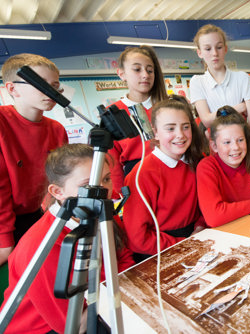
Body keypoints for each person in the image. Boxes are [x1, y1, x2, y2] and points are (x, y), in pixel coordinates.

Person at [1, 144, 135, 334]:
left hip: (100, 302)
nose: (102, 191)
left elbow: (123, 257)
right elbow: (73, 326)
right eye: (88, 186)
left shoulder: (100, 211)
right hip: (49, 328)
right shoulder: (40, 247)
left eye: (106, 179)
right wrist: (114, 291)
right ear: (57, 192)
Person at [0, 53, 68, 265]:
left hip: (37, 215)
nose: (51, 91)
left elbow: (59, 180)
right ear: (12, 89)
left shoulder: (56, 129)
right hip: (4, 222)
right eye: (40, 84)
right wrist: (4, 240)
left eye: (55, 85)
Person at [122, 97, 206, 261]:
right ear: (155, 132)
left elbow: (206, 204)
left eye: (185, 127)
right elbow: (137, 238)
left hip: (196, 239)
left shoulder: (197, 162)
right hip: (159, 253)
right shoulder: (140, 175)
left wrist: (200, 226)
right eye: (170, 128)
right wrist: (183, 244)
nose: (180, 135)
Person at [197, 106, 250, 227]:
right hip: (222, 232)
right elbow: (214, 217)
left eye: (240, 140)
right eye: (227, 142)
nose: (235, 147)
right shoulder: (207, 167)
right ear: (214, 146)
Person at [108, 45, 168, 195]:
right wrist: (120, 192)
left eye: (150, 70)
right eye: (137, 69)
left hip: (169, 173)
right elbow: (112, 162)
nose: (145, 75)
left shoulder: (167, 107)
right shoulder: (114, 113)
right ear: (121, 74)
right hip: (135, 181)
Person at [190, 24, 250, 147]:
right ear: (199, 52)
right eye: (208, 49)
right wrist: (237, 108)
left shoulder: (243, 78)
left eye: (219, 47)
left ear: (225, 48)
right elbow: (206, 120)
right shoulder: (197, 82)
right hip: (219, 147)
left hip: (245, 143)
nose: (214, 53)